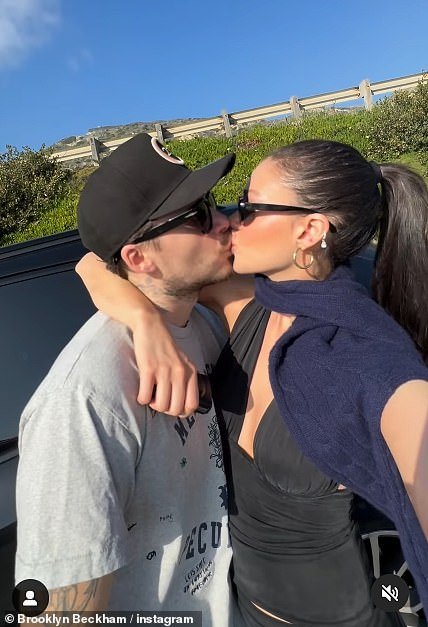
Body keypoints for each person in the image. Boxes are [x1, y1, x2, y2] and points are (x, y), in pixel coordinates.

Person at [76, 139, 428, 626]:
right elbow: (96, 261)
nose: (228, 220)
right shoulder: (248, 302)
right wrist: (145, 321)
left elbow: (408, 407)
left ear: (309, 230)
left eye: (249, 207)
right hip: (241, 609)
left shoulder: (366, 360)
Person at [15, 132, 239, 625]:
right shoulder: (83, 399)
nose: (224, 220)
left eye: (214, 202)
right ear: (138, 258)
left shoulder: (203, 325)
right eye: (199, 214)